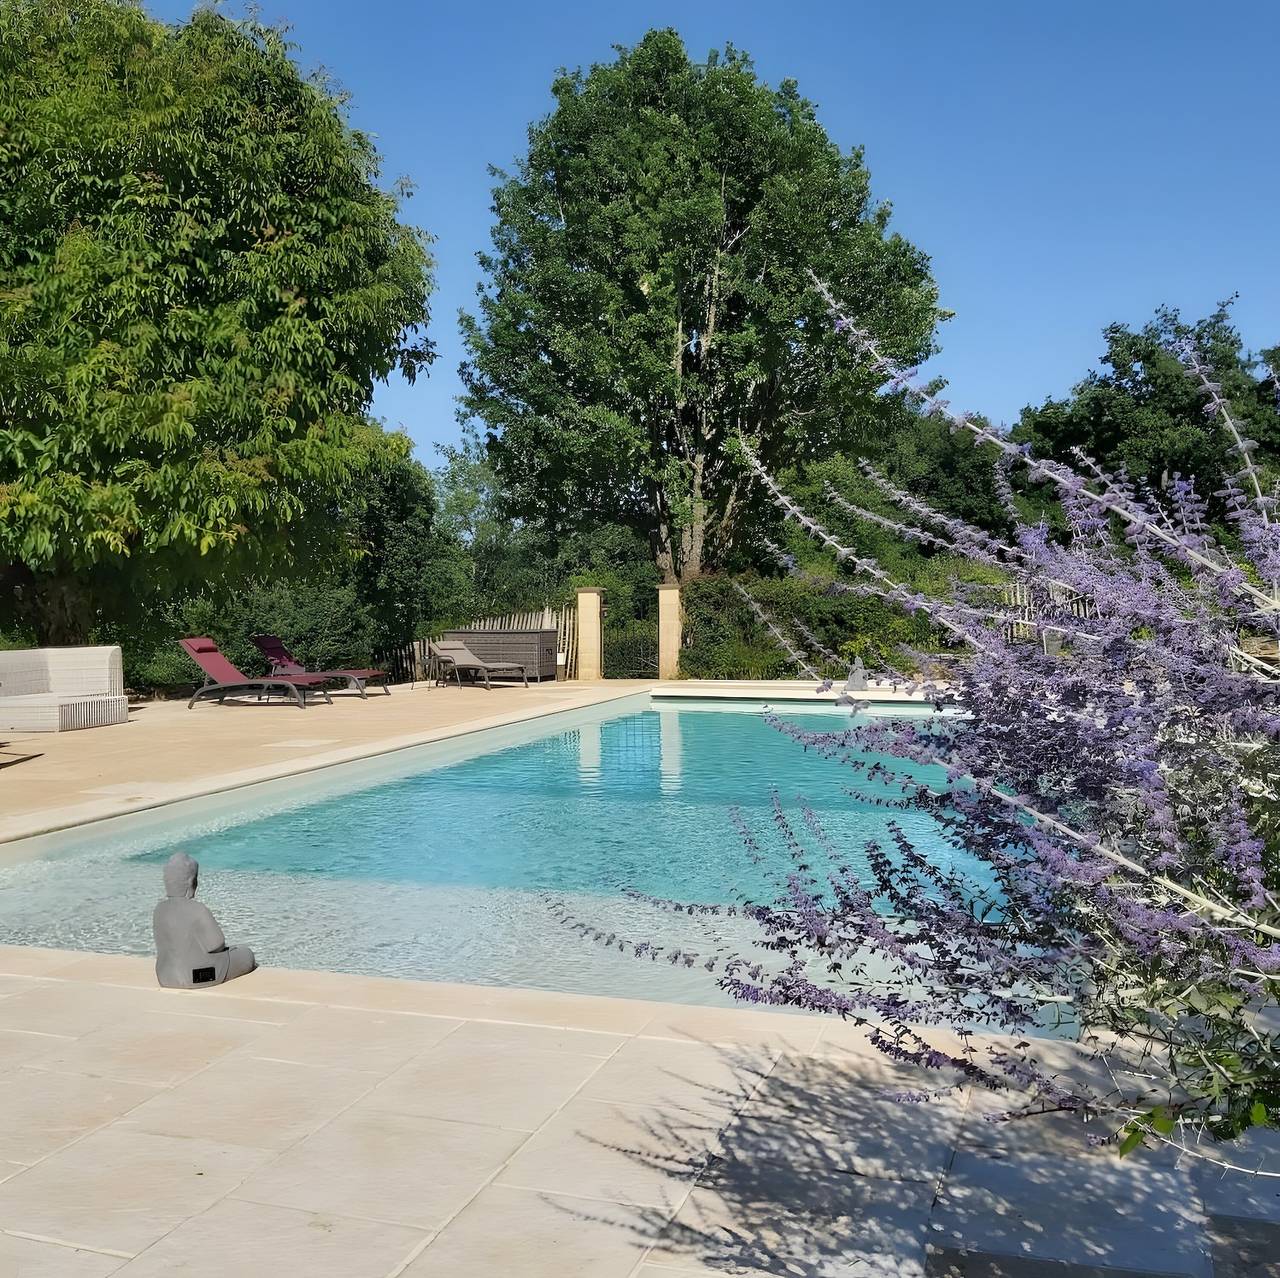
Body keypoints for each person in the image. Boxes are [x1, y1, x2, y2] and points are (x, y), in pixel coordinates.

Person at [153, 851, 255, 989]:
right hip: (198, 976)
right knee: (246, 955)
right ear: (191, 883)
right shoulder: (197, 909)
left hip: (166, 976)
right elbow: (216, 944)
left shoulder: (159, 910)